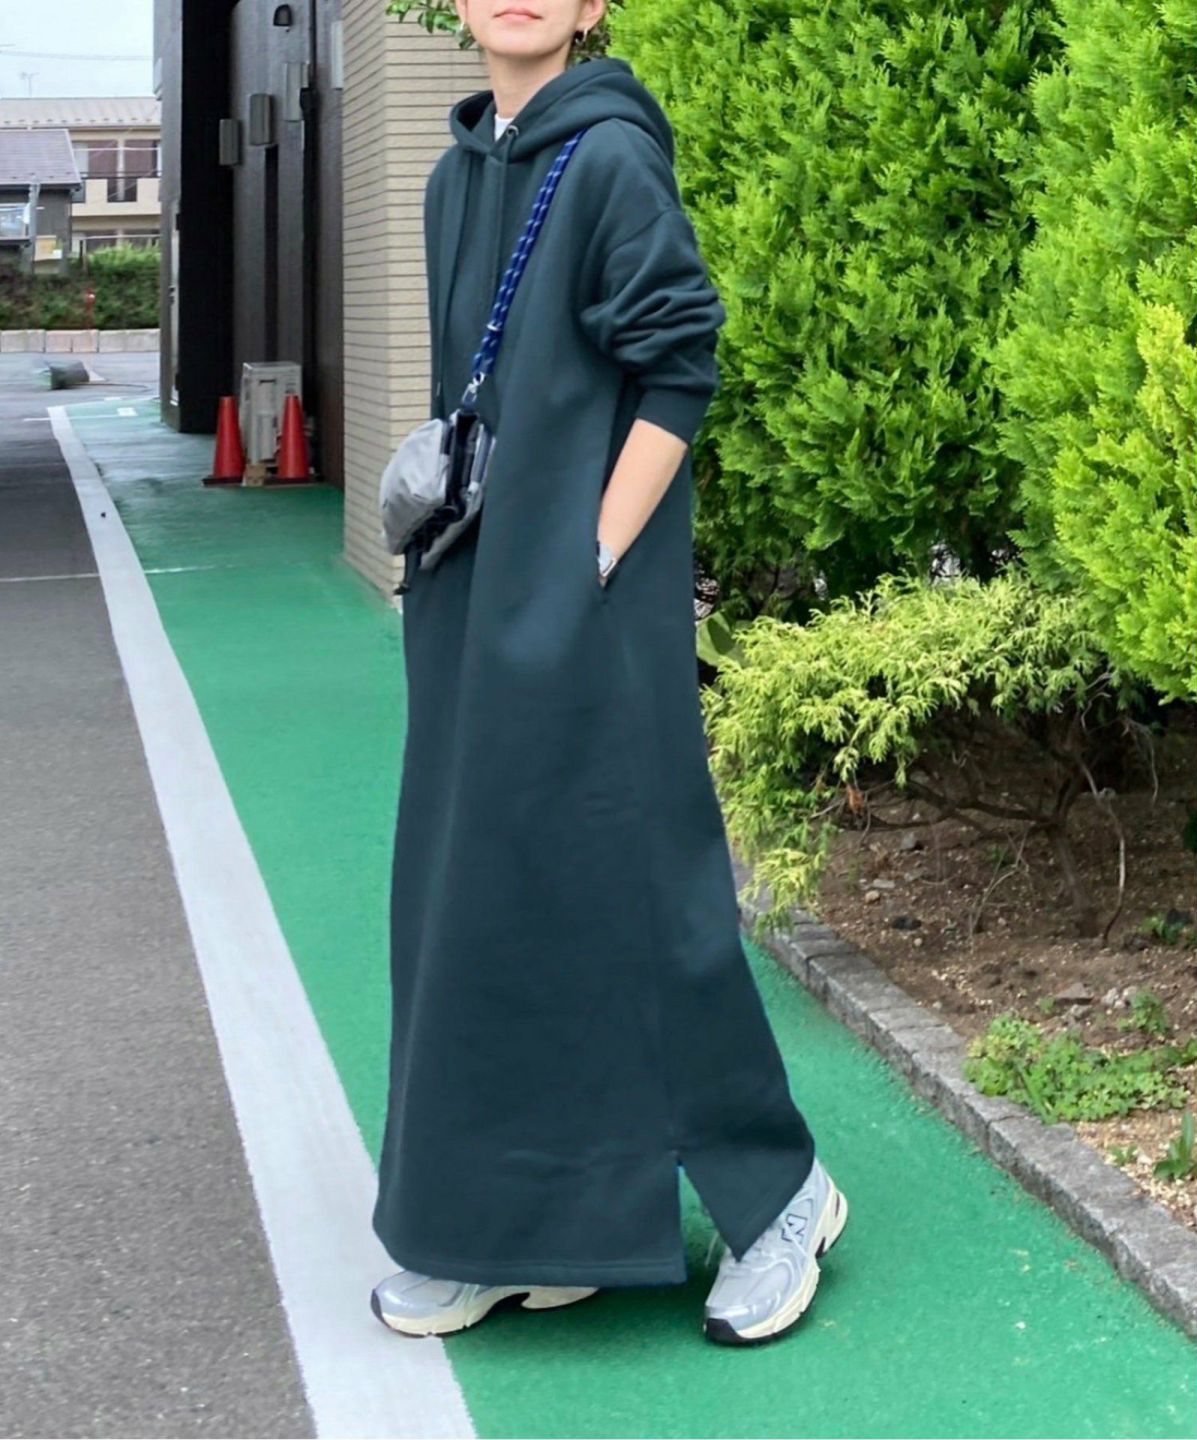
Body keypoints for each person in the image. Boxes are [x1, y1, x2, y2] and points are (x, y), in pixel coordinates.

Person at [370, 0, 849, 1347]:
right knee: (480, 895)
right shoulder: (454, 172)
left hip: (583, 600)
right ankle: (516, 1229)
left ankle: (781, 1195)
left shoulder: (613, 155)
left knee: (637, 896)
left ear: (591, 7)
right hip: (469, 593)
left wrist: (584, 558)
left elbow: (677, 369)